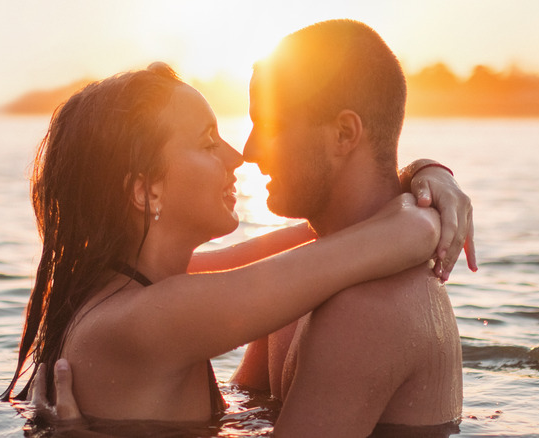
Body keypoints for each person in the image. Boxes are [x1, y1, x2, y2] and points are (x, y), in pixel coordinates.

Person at [35, 19, 476, 437]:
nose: (243, 153)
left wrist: (425, 175)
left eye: (269, 125)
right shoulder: (176, 310)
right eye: (209, 142)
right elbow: (379, 236)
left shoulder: (344, 303)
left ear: (344, 134)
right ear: (145, 190)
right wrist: (420, 218)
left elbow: (243, 408)